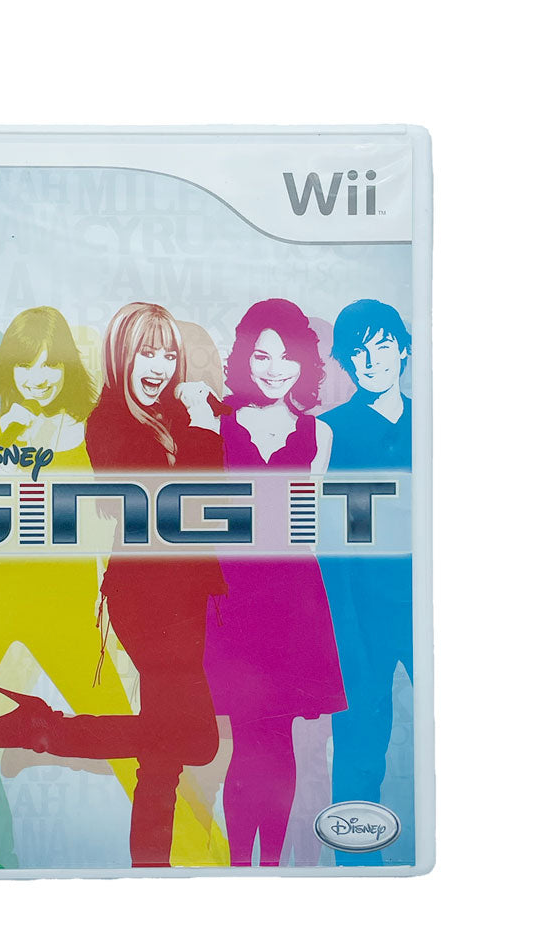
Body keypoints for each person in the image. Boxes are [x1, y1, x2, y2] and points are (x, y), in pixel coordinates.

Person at [0, 302, 226, 868]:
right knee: (185, 744)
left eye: (168, 354)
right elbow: (179, 506)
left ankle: (42, 733)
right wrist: (204, 428)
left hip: (185, 597)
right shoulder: (109, 423)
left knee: (173, 747)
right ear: (120, 355)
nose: (158, 366)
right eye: (146, 353)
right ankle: (43, 734)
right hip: (148, 601)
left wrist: (201, 419)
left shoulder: (172, 415)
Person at [203, 298, 347, 866]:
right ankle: (240, 865)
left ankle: (270, 868)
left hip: (291, 595)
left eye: (286, 357)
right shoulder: (216, 427)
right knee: (245, 737)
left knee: (279, 736)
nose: (273, 368)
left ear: (305, 362)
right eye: (261, 355)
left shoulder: (319, 434)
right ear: (244, 358)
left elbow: (307, 525)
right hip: (233, 592)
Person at [317, 298, 414, 867]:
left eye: (382, 346)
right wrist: (344, 634)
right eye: (357, 351)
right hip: (360, 616)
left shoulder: (433, 423)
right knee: (358, 752)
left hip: (427, 611)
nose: (372, 360)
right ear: (344, 362)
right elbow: (328, 547)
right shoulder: (330, 432)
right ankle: (356, 872)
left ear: (403, 348)